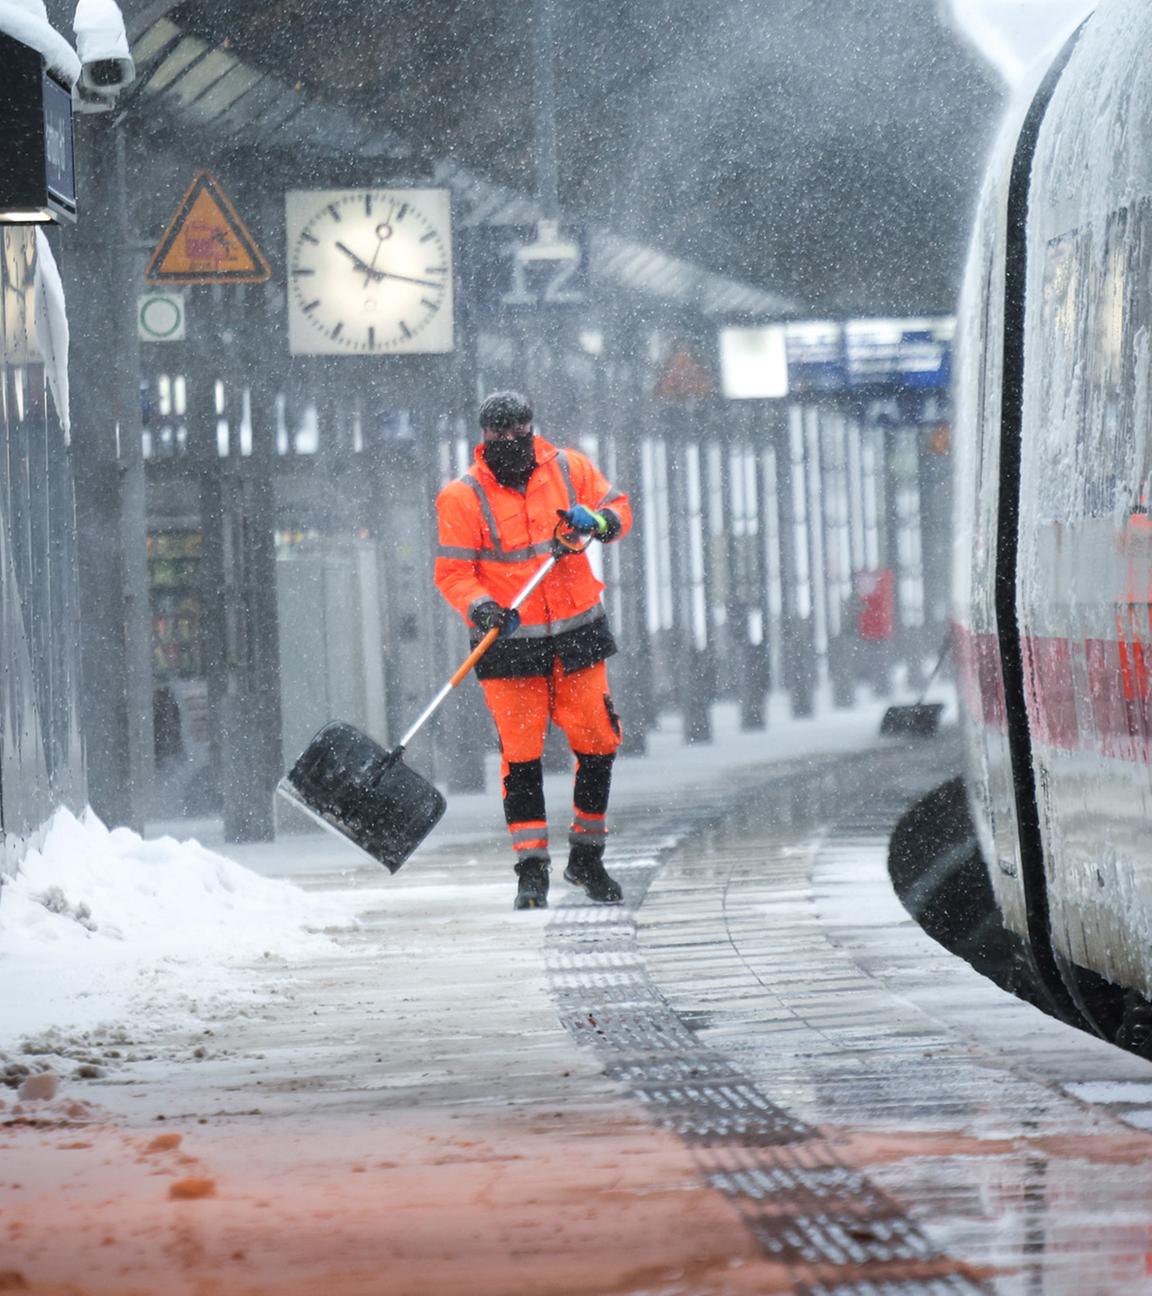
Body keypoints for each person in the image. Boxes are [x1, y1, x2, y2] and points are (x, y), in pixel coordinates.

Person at [434, 391, 632, 910]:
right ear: (483, 437)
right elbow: (454, 572)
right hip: (508, 645)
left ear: (530, 427)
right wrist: (481, 608)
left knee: (598, 742)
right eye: (497, 435)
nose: (509, 443)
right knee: (520, 757)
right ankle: (531, 869)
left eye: (517, 431)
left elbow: (619, 509)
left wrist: (599, 522)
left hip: (578, 635)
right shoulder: (463, 496)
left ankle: (587, 857)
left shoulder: (569, 469)